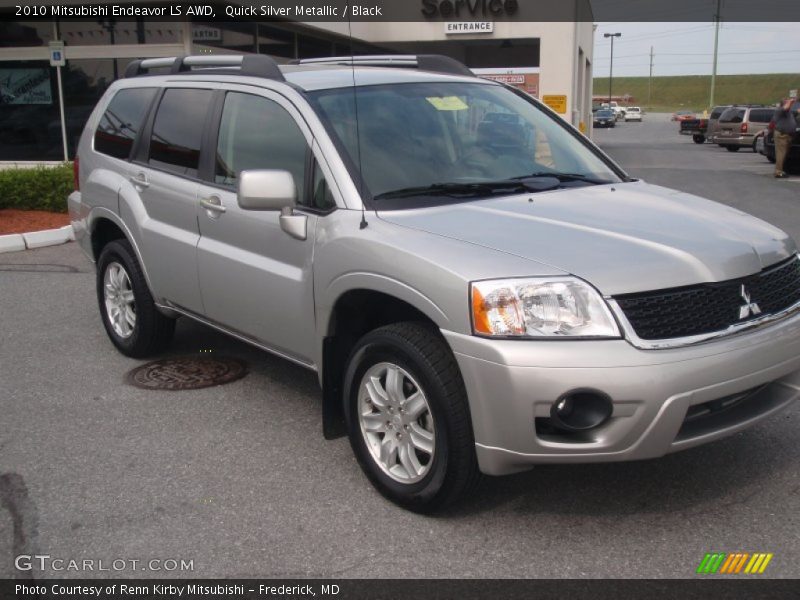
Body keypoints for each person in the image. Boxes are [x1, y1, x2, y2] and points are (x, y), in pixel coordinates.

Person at [773, 97, 797, 178]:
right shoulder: (781, 110)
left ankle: (781, 170)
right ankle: (778, 172)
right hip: (781, 135)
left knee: (783, 154)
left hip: (787, 135)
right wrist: (792, 100)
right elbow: (786, 107)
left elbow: (795, 111)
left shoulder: (788, 111)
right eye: (786, 101)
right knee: (781, 154)